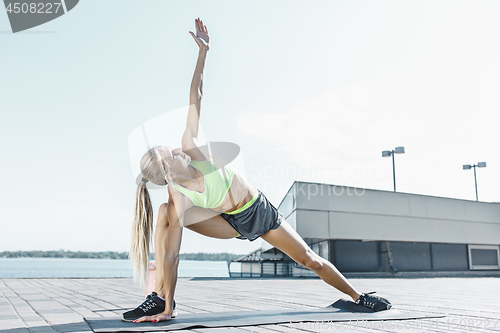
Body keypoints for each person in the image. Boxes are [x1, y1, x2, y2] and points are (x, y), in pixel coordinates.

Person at [123, 18, 391, 323]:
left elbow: (195, 95)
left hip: (258, 211)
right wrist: (170, 309)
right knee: (163, 213)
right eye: (171, 155)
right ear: (169, 175)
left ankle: (359, 296)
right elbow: (171, 255)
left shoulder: (193, 147)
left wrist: (203, 53)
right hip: (228, 223)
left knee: (309, 260)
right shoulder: (178, 197)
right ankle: (160, 301)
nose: (177, 148)